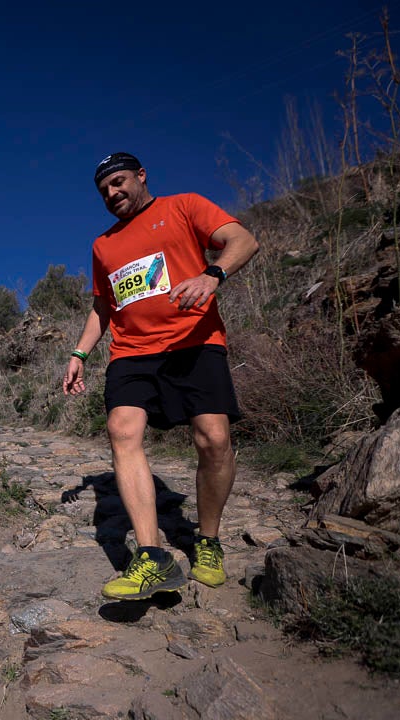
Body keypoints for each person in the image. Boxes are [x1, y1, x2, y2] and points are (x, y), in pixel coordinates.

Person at [63, 153, 260, 601]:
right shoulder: (103, 245)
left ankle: (207, 541)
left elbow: (242, 239)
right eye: (104, 190)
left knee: (213, 439)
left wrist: (213, 275)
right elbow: (103, 306)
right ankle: (152, 558)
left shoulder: (184, 206)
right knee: (122, 430)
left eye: (119, 182)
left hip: (195, 341)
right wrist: (80, 352)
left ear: (141, 176)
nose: (113, 193)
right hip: (131, 352)